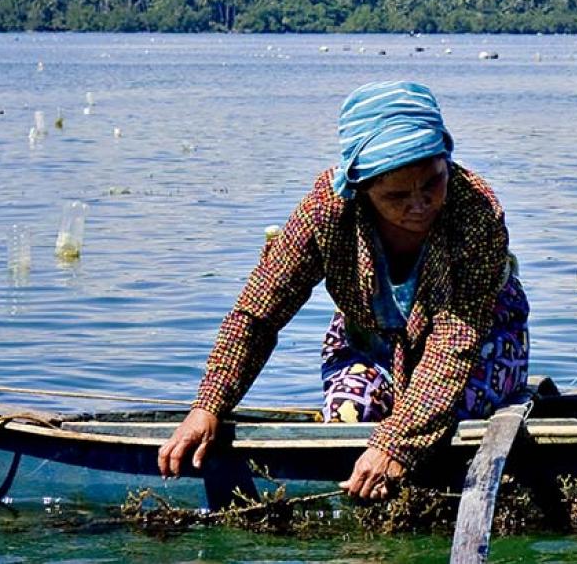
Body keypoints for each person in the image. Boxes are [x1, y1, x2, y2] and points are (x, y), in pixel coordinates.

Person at [158, 80, 529, 501]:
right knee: (353, 416)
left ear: (447, 162)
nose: (419, 204)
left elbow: (454, 343)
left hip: (480, 339)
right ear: (363, 189)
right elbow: (258, 313)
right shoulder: (326, 214)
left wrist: (396, 445)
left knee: (451, 420)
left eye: (432, 183)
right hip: (369, 338)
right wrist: (208, 405)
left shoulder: (476, 212)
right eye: (396, 196)